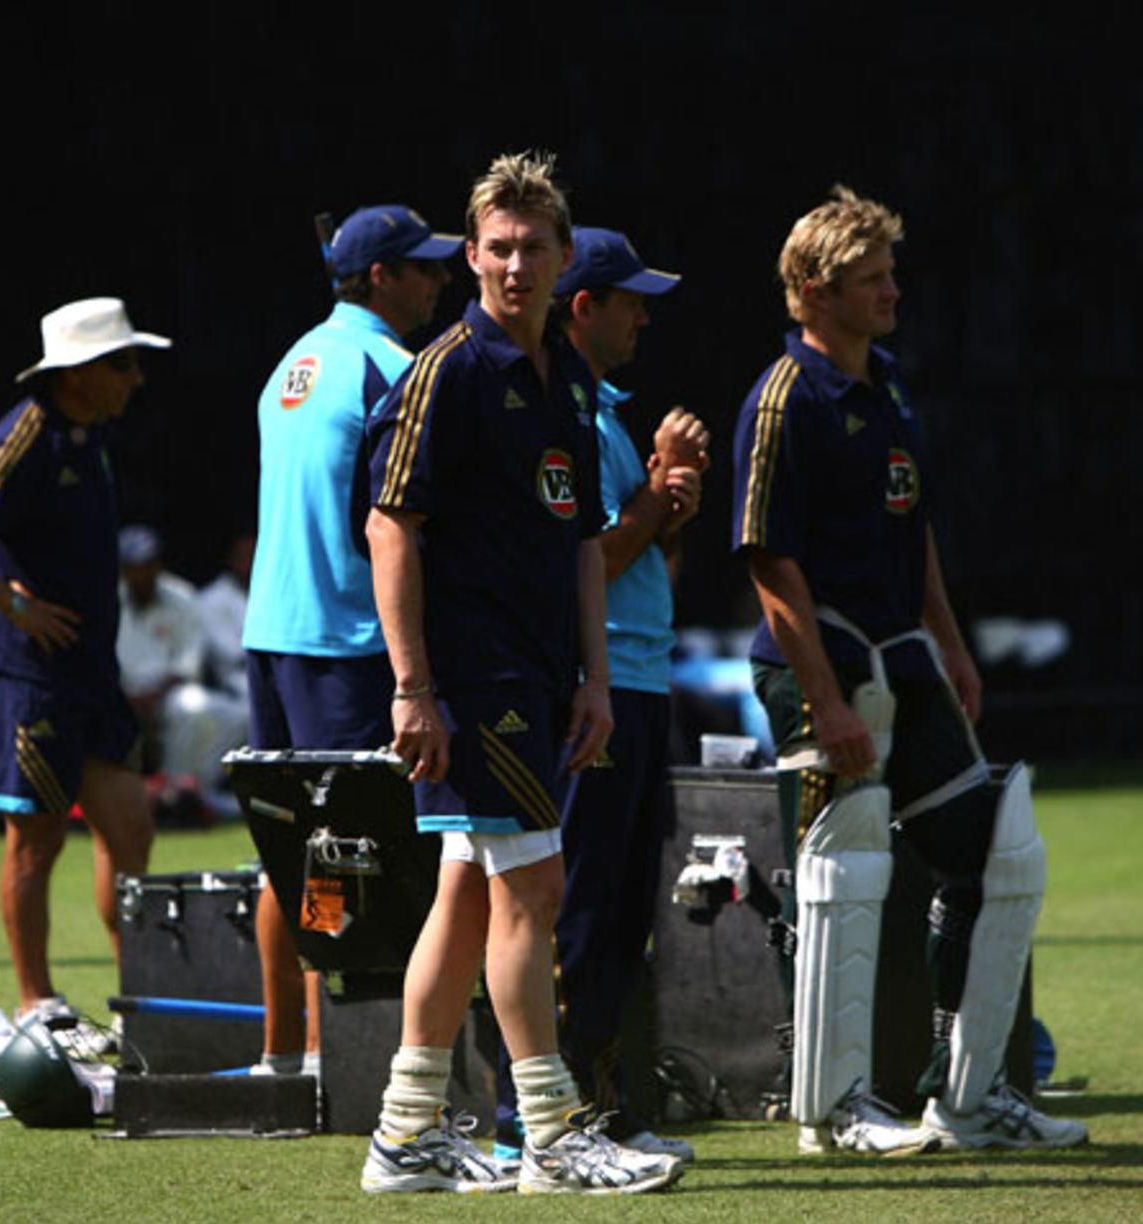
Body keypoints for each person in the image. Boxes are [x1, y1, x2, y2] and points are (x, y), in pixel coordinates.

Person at [731, 186, 1087, 1153]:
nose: (893, 290)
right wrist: (822, 697)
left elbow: (912, 524)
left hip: (909, 662)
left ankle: (966, 1101)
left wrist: (951, 644)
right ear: (813, 291)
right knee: (843, 874)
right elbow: (769, 565)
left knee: (997, 860)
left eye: (891, 271)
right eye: (870, 277)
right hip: (826, 669)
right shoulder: (782, 399)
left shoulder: (887, 384)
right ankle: (834, 1112)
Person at [360, 153, 683, 1195]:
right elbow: (387, 526)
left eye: (530, 248)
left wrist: (593, 679)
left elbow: (582, 541)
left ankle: (404, 1139)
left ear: (558, 258)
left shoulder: (569, 378)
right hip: (475, 676)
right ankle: (548, 1136)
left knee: (465, 897)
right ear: (469, 256)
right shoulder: (447, 371)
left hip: (544, 677)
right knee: (534, 892)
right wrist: (413, 689)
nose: (511, 264)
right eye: (494, 248)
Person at [493, 226, 706, 1165]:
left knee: (621, 910)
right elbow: (587, 558)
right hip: (598, 683)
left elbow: (641, 562)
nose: (644, 317)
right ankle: (542, 1114)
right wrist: (657, 496)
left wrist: (671, 506)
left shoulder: (605, 410)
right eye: (630, 301)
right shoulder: (567, 413)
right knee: (576, 905)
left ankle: (606, 1108)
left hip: (642, 677)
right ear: (583, 307)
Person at [242, 205, 461, 1077]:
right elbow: (400, 524)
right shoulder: (395, 369)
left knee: (288, 847)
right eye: (425, 267)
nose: (442, 280)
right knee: (369, 852)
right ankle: (357, 1069)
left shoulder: (290, 363)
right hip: (351, 638)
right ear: (381, 277)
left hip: (273, 632)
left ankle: (284, 1061)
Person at [0, 296, 163, 1029]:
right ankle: (36, 1003)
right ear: (77, 373)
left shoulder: (92, 438)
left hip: (90, 675)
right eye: (122, 363)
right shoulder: (25, 439)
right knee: (39, 838)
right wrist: (16, 608)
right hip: (31, 680)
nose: (136, 378)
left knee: (133, 831)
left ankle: (136, 1000)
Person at [116, 523, 247, 806]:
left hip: (165, 693)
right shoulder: (108, 600)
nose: (143, 574)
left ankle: (180, 788)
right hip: (118, 693)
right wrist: (125, 693)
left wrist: (155, 694)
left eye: (149, 565)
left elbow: (188, 662)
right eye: (135, 566)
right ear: (124, 569)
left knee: (197, 705)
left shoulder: (182, 596)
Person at [197, 530, 255, 700]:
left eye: (252, 555)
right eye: (242, 556)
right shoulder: (211, 598)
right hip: (232, 683)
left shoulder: (273, 594)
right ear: (230, 559)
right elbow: (230, 654)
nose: (248, 563)